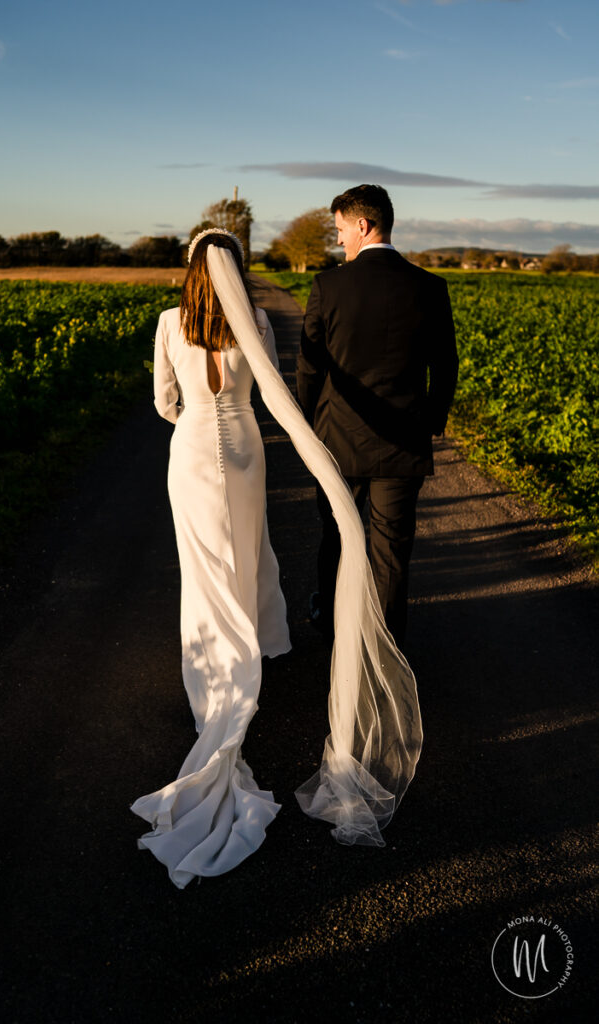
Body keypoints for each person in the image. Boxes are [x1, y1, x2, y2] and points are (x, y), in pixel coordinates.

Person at [132, 229, 423, 889]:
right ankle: (262, 636)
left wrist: (191, 417)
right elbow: (272, 397)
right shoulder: (256, 319)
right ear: (236, 269)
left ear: (189, 269)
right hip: (245, 451)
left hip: (193, 454)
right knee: (250, 547)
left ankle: (219, 652)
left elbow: (164, 403)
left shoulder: (167, 321)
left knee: (203, 562)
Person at [297, 184, 459, 648]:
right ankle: (386, 647)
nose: (339, 240)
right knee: (392, 553)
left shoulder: (328, 286)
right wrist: (429, 420)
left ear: (363, 226)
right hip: (403, 441)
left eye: (341, 229)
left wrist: (309, 424)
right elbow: (445, 365)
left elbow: (310, 366)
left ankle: (331, 624)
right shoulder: (430, 286)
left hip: (337, 440)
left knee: (337, 535)